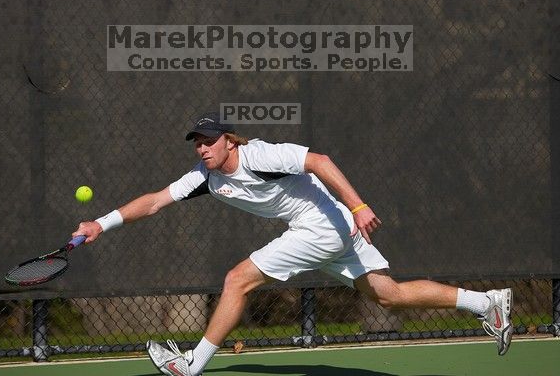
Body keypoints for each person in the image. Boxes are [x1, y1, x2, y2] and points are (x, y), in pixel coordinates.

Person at [73, 112, 513, 376]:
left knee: (237, 279)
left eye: (210, 142)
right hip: (332, 228)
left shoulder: (261, 156)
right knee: (389, 295)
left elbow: (319, 161)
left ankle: (192, 364)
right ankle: (486, 303)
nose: (203, 149)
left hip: (323, 225)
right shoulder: (205, 177)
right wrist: (101, 223)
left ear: (229, 140)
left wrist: (358, 206)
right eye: (198, 144)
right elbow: (153, 202)